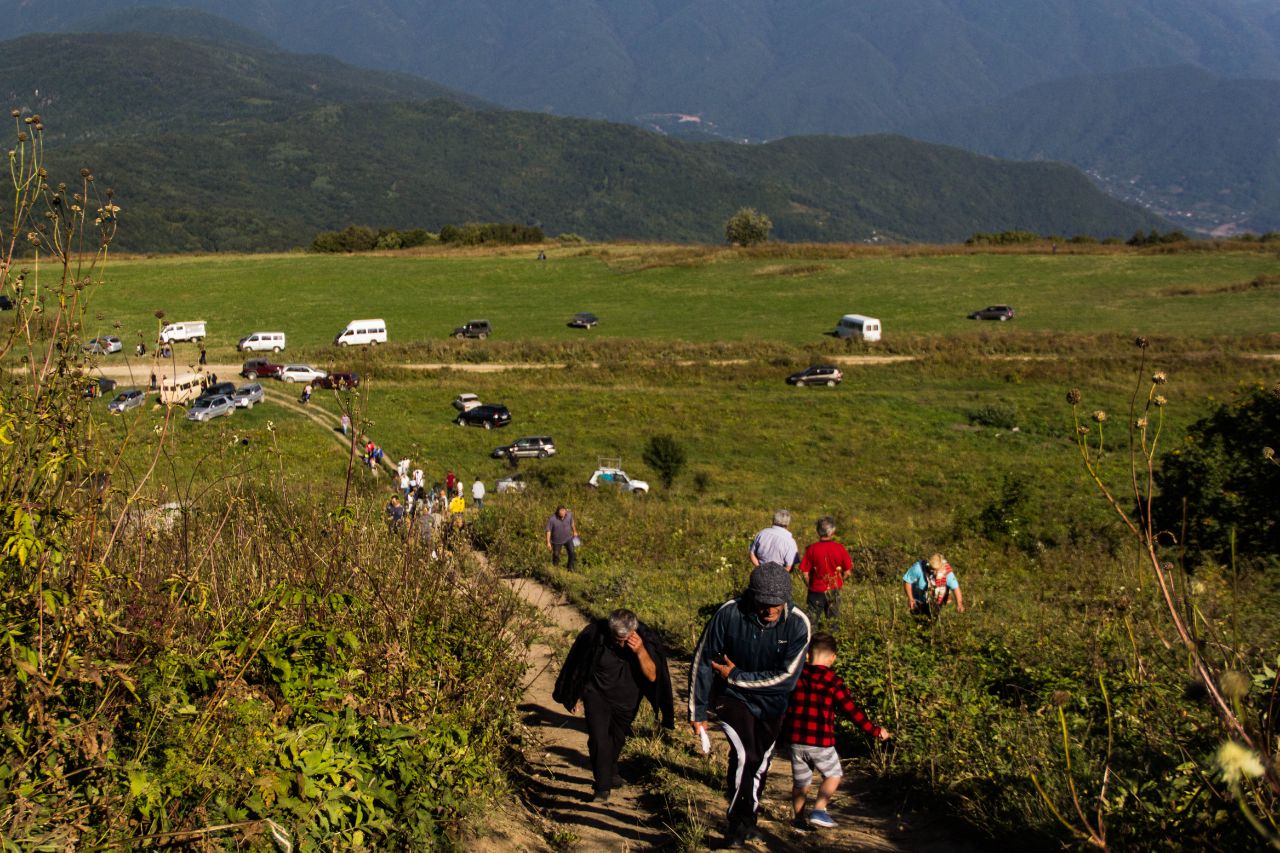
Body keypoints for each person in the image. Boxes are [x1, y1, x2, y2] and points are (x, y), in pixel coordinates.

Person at [690, 562, 811, 848]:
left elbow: (785, 679)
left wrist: (736, 675)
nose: (770, 611)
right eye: (764, 603)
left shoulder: (797, 623)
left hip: (772, 704)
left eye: (776, 605)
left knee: (760, 761)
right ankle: (736, 823)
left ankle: (749, 819)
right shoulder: (729, 614)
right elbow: (703, 660)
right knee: (745, 755)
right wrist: (697, 711)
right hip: (733, 700)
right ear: (752, 597)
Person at [553, 609, 675, 802]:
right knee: (599, 739)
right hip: (596, 695)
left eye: (626, 638)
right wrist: (574, 695)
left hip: (627, 701)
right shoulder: (595, 635)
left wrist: (640, 651)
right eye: (617, 638)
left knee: (616, 740)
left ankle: (611, 772)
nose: (621, 643)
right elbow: (578, 665)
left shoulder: (645, 640)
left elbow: (653, 677)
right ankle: (602, 788)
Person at [782, 632, 890, 832]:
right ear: (833, 657)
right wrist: (875, 730)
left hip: (796, 741)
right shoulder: (833, 682)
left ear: (806, 655)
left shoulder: (796, 677)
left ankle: (798, 821)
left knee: (801, 783)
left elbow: (783, 705)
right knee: (833, 774)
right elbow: (852, 712)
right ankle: (819, 810)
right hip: (821, 741)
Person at [794, 517, 853, 624]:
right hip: (834, 589)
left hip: (816, 590)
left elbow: (805, 573)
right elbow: (847, 572)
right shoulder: (840, 548)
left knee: (811, 622)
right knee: (833, 622)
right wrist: (839, 582)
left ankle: (811, 640)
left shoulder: (812, 549)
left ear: (817, 531)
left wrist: (809, 585)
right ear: (833, 531)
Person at [545, 505, 578, 570]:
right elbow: (548, 531)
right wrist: (548, 542)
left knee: (572, 553)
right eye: (561, 513)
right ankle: (555, 569)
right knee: (556, 555)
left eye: (564, 512)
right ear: (557, 512)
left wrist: (574, 531)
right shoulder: (552, 519)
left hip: (568, 538)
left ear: (566, 511)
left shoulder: (569, 515)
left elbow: (572, 523)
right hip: (556, 541)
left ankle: (570, 568)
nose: (562, 514)